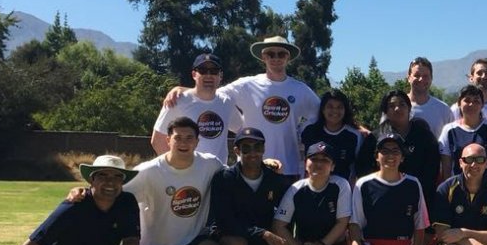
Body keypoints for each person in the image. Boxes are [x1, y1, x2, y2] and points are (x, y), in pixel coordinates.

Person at [85, 117, 226, 245]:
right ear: (168, 140)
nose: (184, 143)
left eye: (189, 138)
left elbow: (235, 175)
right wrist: (82, 194)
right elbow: (113, 191)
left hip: (191, 242)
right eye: (178, 138)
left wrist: (267, 164)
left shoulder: (210, 164)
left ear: (197, 141)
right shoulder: (149, 171)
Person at [166, 36, 320, 177]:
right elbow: (210, 93)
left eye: (281, 54)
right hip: (250, 168)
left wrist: (303, 130)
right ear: (263, 57)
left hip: (288, 168)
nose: (276, 58)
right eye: (271, 54)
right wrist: (182, 90)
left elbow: (322, 114)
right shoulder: (246, 85)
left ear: (288, 58)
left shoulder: (300, 90)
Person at [356, 90, 441, 245]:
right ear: (385, 111)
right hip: (382, 211)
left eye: (402, 104)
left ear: (409, 108)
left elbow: (432, 174)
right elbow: (363, 170)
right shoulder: (376, 137)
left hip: (415, 205)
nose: (397, 109)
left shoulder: (423, 134)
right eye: (392, 105)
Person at [151, 54, 242, 161]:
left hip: (219, 174)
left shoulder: (226, 102)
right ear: (194, 74)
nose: (208, 75)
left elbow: (241, 129)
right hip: (188, 175)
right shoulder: (177, 100)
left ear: (220, 76)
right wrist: (176, 168)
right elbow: (157, 140)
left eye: (214, 71)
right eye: (203, 70)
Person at [439, 84, 487, 193]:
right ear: (459, 103)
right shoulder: (449, 130)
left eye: (476, 101)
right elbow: (446, 167)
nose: (471, 104)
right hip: (459, 190)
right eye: (467, 100)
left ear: (482, 105)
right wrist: (449, 194)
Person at [300, 89, 365, 183]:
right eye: (330, 107)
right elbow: (300, 159)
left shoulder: (354, 135)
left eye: (339, 107)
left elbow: (354, 168)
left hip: (341, 190)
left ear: (345, 110)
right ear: (323, 109)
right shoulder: (309, 130)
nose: (335, 111)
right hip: (311, 187)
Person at [407, 57, 454, 138]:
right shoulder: (397, 107)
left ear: (431, 78)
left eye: (425, 76)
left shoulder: (443, 109)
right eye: (417, 75)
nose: (421, 79)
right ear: (409, 78)